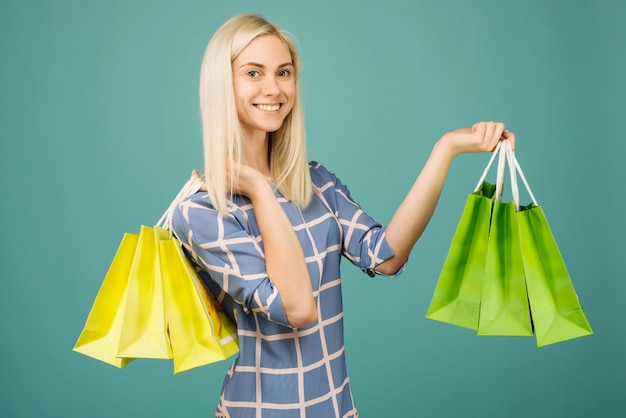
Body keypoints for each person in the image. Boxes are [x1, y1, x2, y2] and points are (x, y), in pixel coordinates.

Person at [172, 13, 515, 418]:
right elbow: (297, 309)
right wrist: (261, 192)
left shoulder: (316, 183)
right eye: (253, 72)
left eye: (284, 72)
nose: (274, 88)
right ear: (222, 85)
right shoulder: (201, 212)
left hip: (336, 409)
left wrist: (447, 149)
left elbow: (386, 256)